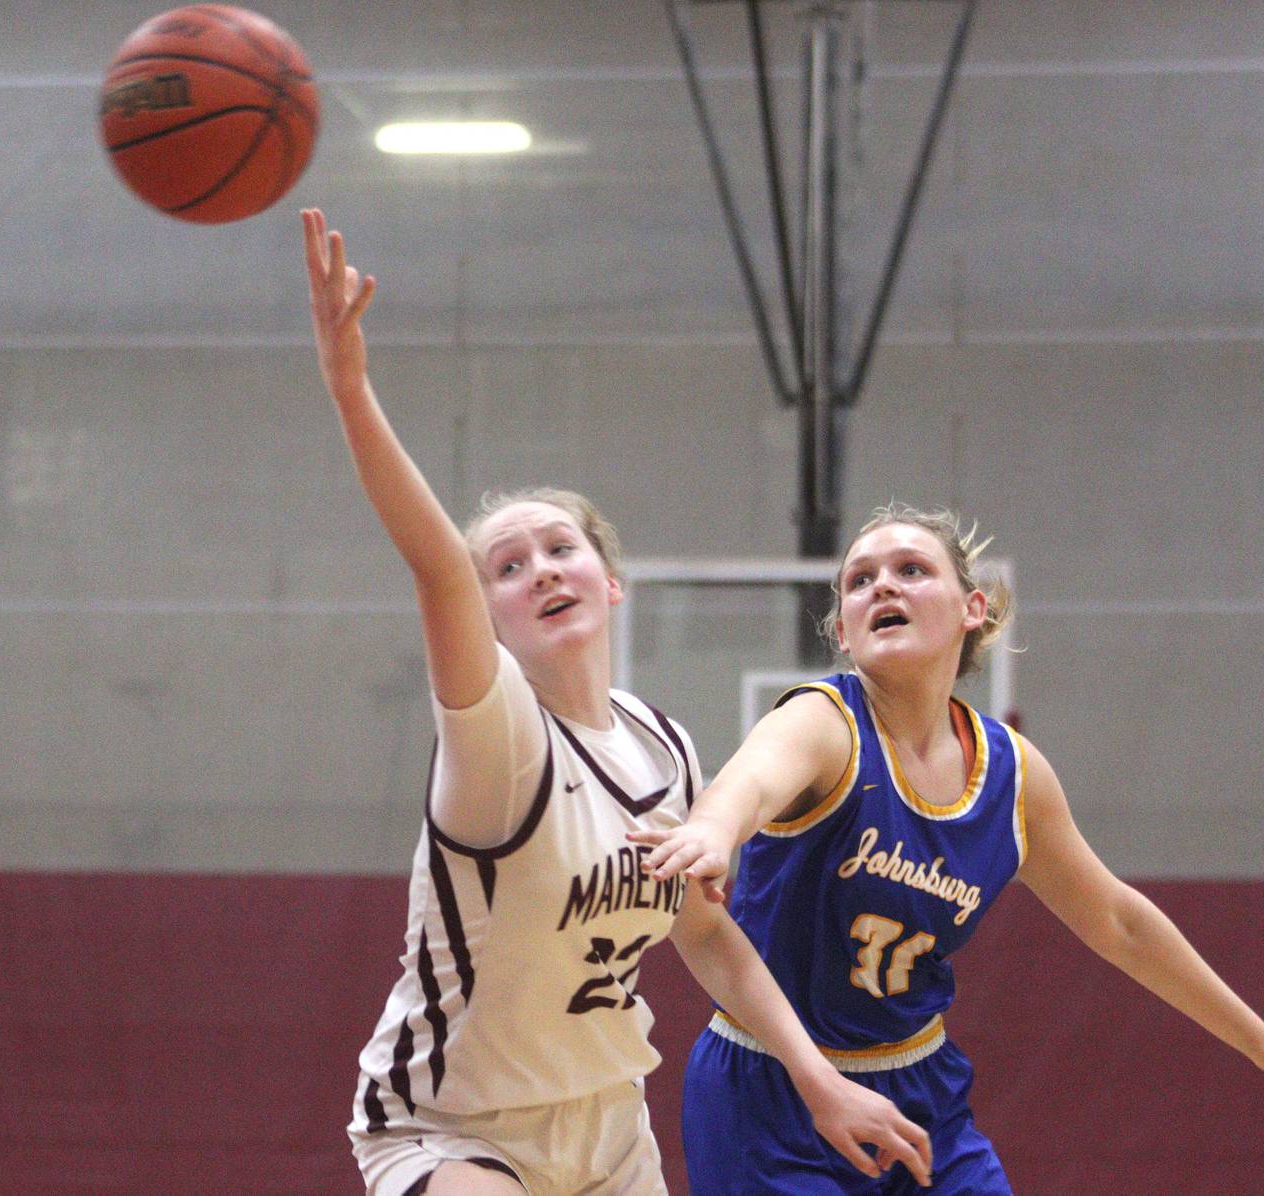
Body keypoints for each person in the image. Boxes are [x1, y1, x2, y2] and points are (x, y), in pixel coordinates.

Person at [299, 209, 935, 1195]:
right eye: (507, 567)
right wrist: (351, 393)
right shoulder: (500, 738)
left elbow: (706, 932)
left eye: (562, 548)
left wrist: (818, 1079)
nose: (541, 569)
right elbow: (436, 569)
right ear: (490, 615)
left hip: (607, 1127)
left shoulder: (660, 742)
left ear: (611, 581)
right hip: (451, 1124)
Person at [631, 504, 1264, 1194]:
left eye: (911, 569)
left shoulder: (1014, 775)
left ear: (973, 608)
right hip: (770, 1089)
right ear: (843, 631)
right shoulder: (824, 721)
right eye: (860, 579)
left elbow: (1118, 922)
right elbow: (747, 784)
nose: (883, 586)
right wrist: (710, 832)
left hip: (918, 1084)